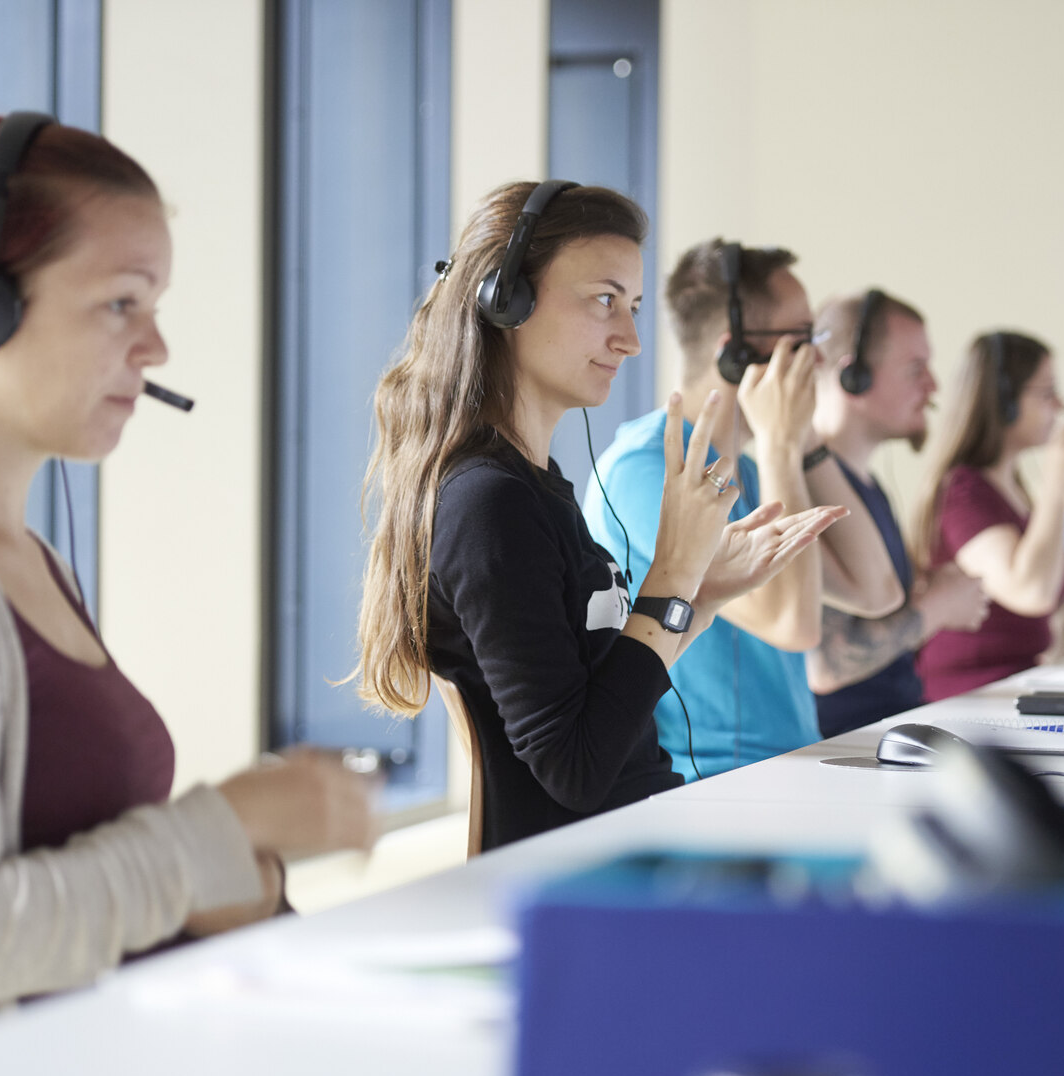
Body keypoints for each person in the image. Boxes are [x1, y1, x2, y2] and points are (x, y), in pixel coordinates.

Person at [0, 114, 377, 1027]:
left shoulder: (16, 558)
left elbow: (84, 871)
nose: (155, 348)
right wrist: (228, 824)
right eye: (122, 302)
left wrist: (230, 876)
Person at [354, 183, 842, 851]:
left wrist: (701, 596)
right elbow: (576, 768)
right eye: (605, 301)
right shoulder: (490, 506)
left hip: (637, 840)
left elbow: (602, 693)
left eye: (634, 307)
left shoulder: (537, 486)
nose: (632, 339)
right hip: (596, 871)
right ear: (510, 301)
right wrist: (671, 574)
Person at [584, 241, 904, 777]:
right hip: (707, 780)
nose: (818, 359)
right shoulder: (647, 471)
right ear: (738, 355)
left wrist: (800, 443)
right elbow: (793, 624)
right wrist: (781, 444)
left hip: (793, 765)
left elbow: (878, 592)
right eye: (803, 338)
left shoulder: (750, 472)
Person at [911, 331, 1064, 700]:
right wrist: (1055, 489)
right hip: (968, 696)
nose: (1060, 404)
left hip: (1016, 682)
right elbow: (1029, 592)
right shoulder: (963, 492)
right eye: (1046, 393)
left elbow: (1033, 602)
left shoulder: (1011, 487)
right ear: (1004, 402)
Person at [805, 291, 989, 737]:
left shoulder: (869, 487)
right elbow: (825, 665)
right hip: (852, 746)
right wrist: (936, 609)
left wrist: (930, 593)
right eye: (915, 369)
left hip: (899, 728)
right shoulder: (808, 487)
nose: (933, 387)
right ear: (854, 377)